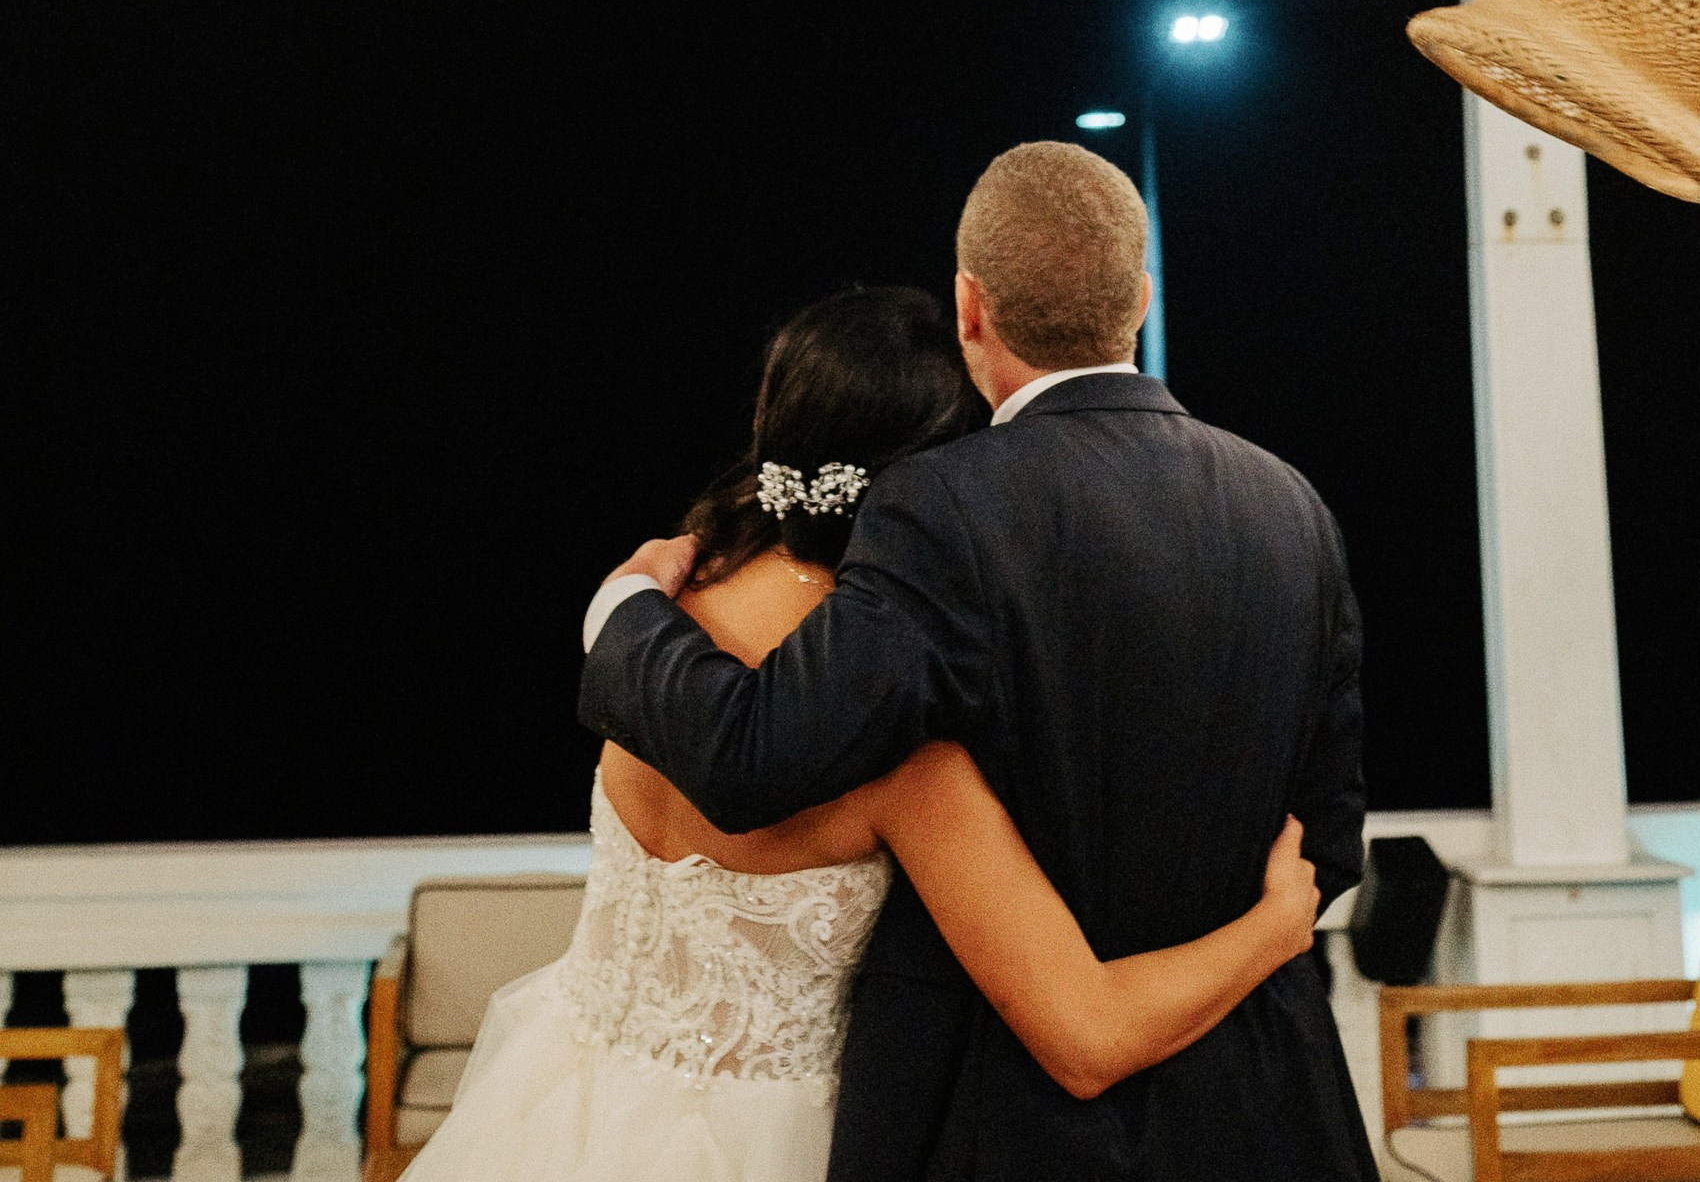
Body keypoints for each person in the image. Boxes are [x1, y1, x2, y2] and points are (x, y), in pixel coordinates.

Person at [584, 141, 1374, 1182]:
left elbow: (754, 757)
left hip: (1020, 1122)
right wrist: (1266, 931)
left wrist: (622, 609)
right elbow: (1328, 840)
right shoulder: (1290, 506)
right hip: (1264, 1103)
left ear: (969, 309)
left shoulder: (943, 503)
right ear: (1139, 299)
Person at [410, 282, 1324, 1178]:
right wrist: (1277, 926)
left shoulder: (664, 611)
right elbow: (1089, 1035)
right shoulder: (890, 734)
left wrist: (623, 598)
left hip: (560, 1107)